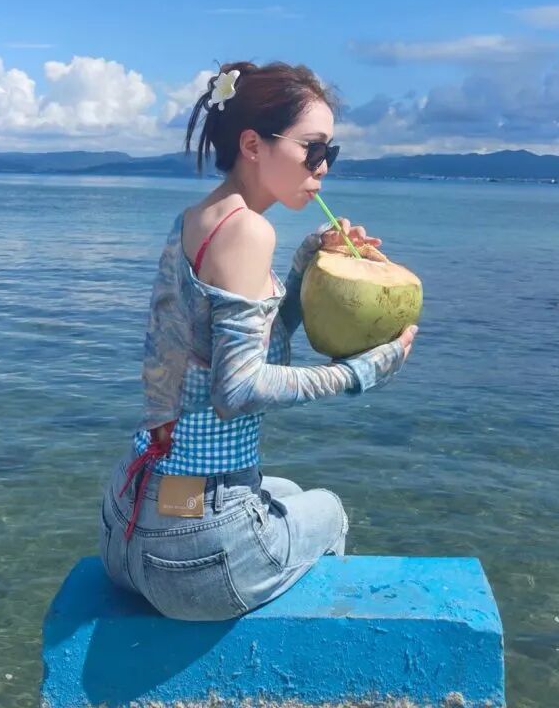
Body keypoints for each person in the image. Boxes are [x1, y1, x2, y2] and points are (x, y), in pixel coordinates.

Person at [97, 60, 418, 621]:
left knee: (286, 490)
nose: (323, 167)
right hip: (193, 559)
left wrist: (305, 264)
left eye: (330, 152)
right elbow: (238, 388)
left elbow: (248, 347)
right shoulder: (250, 230)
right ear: (252, 144)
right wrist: (360, 373)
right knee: (329, 510)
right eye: (313, 149)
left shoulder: (197, 219)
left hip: (128, 522)